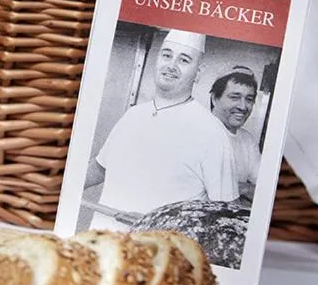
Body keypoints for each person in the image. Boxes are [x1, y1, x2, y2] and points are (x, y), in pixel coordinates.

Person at [82, 29, 239, 231]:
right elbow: (99, 168)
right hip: (102, 244)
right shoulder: (133, 115)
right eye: (166, 55)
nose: (171, 66)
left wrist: (162, 224)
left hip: (160, 253)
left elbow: (228, 214)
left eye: (184, 60)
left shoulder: (212, 132)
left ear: (198, 72)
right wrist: (60, 186)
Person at [210, 67, 262, 203]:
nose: (243, 106)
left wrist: (244, 189)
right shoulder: (197, 131)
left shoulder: (248, 140)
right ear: (215, 98)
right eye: (235, 97)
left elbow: (265, 190)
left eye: (249, 99)